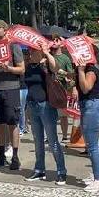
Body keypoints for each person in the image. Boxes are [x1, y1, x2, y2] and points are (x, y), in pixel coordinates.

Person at [23, 42, 68, 184]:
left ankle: (61, 171)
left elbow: (55, 68)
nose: (30, 54)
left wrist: (47, 53)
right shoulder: (29, 66)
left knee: (53, 140)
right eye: (29, 52)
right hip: (32, 103)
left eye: (33, 51)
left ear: (39, 53)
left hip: (45, 105)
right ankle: (39, 169)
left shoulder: (45, 65)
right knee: (37, 140)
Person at [0, 20, 25, 170]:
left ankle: (15, 156)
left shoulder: (13, 46)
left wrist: (8, 68)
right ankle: (1, 155)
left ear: (5, 30)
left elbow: (21, 69)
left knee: (12, 122)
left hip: (11, 88)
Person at [74, 54, 99, 192]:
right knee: (92, 145)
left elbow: (86, 88)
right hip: (88, 106)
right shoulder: (89, 68)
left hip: (91, 107)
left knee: (93, 146)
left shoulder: (91, 70)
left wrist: (81, 71)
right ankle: (95, 175)